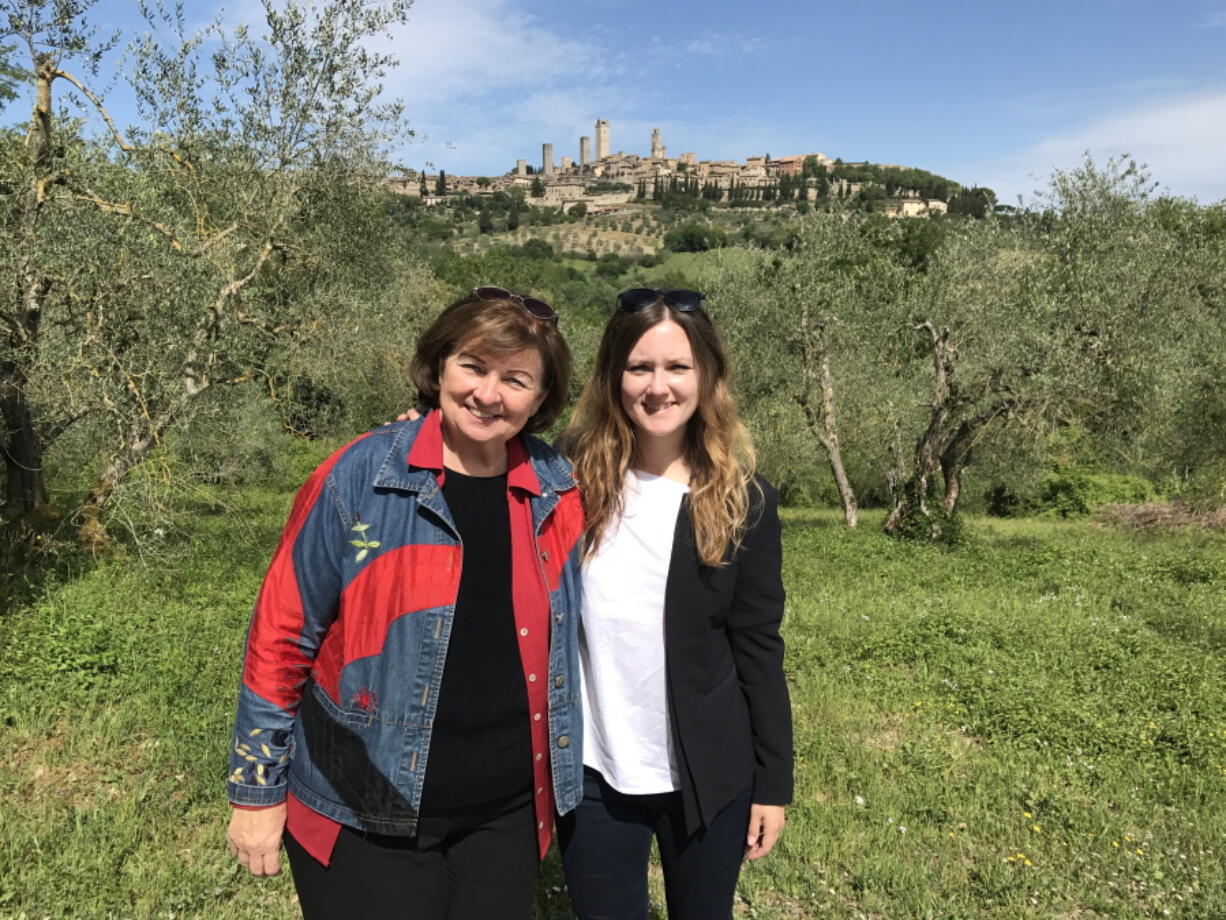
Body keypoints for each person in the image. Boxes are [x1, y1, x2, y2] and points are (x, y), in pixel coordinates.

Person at [225, 287, 587, 920]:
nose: (488, 393)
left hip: (504, 815)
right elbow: (282, 633)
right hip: (365, 807)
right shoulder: (360, 476)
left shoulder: (559, 492)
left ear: (542, 397)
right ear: (440, 366)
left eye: (516, 379)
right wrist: (255, 791)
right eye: (473, 367)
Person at [558, 288, 793, 920]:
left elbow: (758, 647)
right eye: (639, 367)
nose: (657, 387)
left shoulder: (745, 501)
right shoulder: (566, 478)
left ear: (707, 376)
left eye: (677, 367)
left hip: (709, 773)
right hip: (592, 772)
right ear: (613, 376)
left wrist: (773, 786)